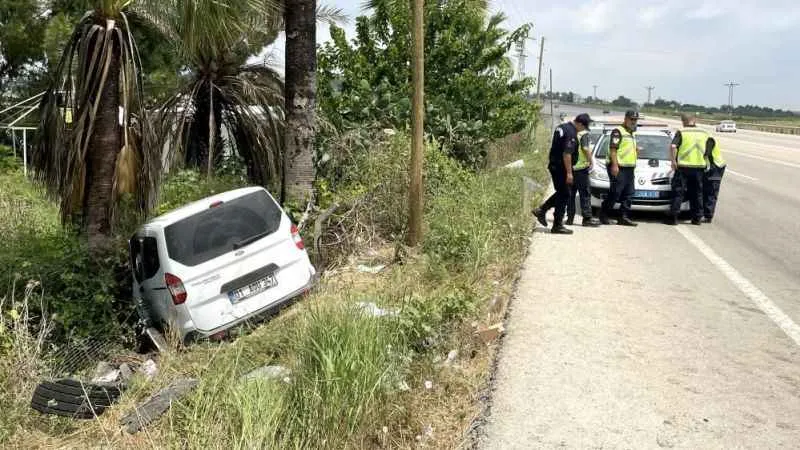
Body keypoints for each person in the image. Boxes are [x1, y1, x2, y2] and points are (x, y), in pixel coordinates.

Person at [533, 113, 592, 234]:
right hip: (561, 168)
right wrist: (569, 173)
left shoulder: (563, 127)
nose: (583, 130)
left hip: (556, 165)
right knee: (565, 194)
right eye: (584, 127)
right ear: (580, 123)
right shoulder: (571, 132)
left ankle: (542, 210)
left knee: (563, 192)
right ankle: (557, 225)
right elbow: (567, 154)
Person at [666, 113, 713, 225]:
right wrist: (704, 157)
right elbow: (710, 146)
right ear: (694, 120)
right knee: (697, 193)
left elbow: (673, 146)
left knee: (678, 192)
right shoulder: (704, 133)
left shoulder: (682, 132)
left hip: (683, 167)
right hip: (699, 167)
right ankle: (697, 218)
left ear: (683, 121)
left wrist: (673, 161)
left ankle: (673, 218)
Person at [599, 110, 639, 226]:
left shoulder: (632, 133)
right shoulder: (618, 132)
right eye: (631, 119)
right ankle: (603, 215)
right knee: (615, 192)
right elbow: (613, 149)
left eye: (635, 120)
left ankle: (623, 217)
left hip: (629, 168)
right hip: (618, 167)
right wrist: (615, 165)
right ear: (625, 119)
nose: (633, 121)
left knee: (629, 193)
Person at [566, 124, 600, 227]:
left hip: (571, 169)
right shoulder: (583, 134)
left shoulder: (571, 133)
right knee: (585, 194)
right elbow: (585, 148)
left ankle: (570, 219)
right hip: (581, 170)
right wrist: (591, 161)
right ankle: (587, 219)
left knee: (570, 195)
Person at [702, 132, 726, 223]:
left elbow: (706, 154)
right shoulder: (706, 139)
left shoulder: (709, 140)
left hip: (715, 168)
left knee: (711, 193)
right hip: (712, 168)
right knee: (706, 191)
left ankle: (708, 215)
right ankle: (706, 213)